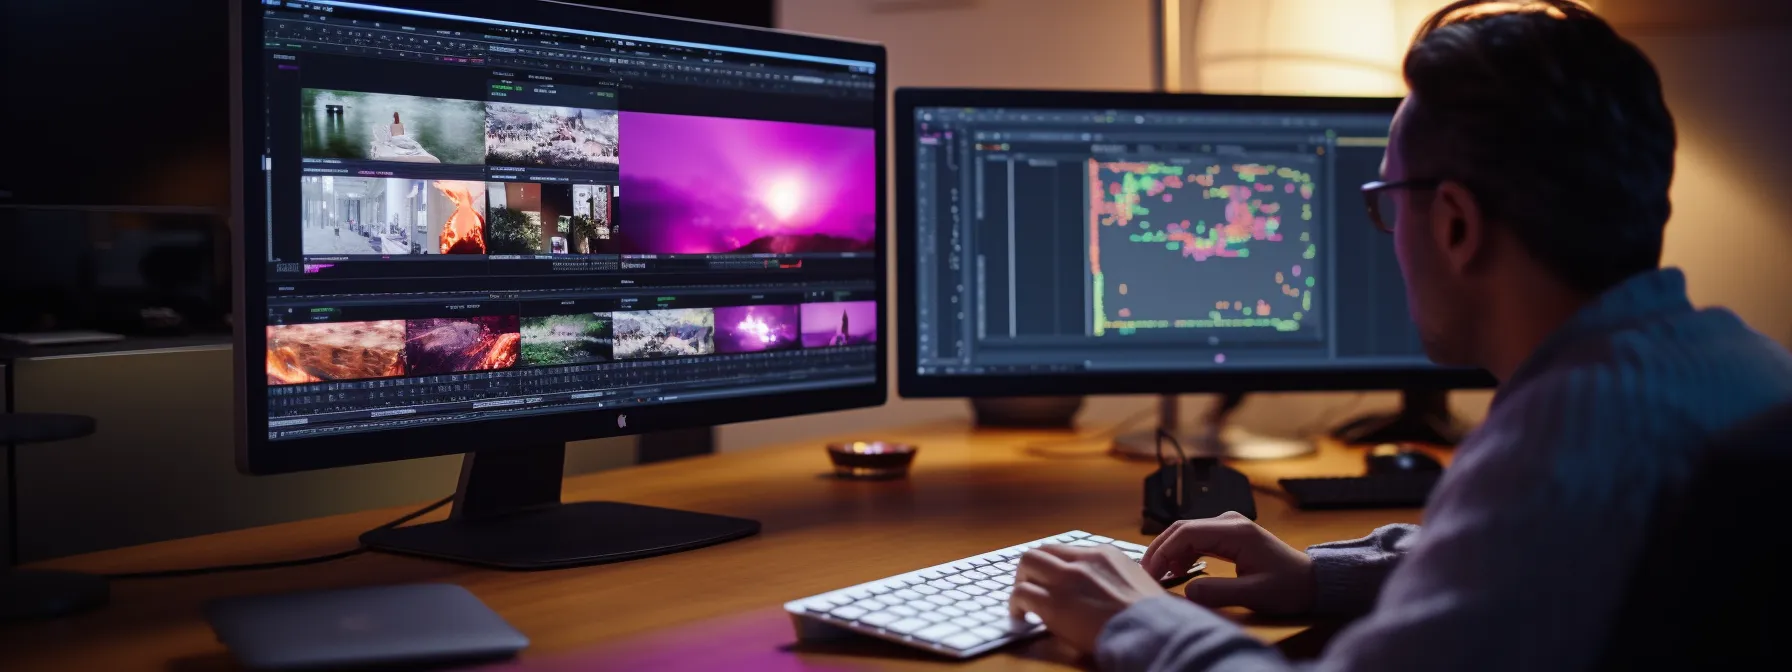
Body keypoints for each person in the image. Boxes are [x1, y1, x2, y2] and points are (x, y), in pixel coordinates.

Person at [1008, 2, 1792, 670]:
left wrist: (1133, 620)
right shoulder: (1741, 364)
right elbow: (1542, 560)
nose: (1387, 231)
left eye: (1387, 199)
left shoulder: (1558, 444)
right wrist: (1322, 575)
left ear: (1455, 224)